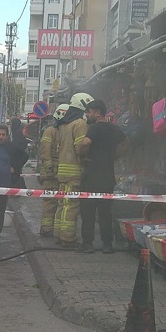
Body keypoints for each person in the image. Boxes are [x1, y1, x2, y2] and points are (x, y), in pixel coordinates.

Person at [77, 100, 128, 254]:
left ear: (97, 112)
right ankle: (107, 244)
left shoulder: (94, 128)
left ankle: (88, 244)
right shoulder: (114, 128)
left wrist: (82, 155)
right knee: (105, 212)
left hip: (92, 176)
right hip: (107, 177)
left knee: (88, 212)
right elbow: (126, 143)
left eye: (89, 112)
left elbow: (85, 143)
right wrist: (114, 156)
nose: (87, 115)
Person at [54, 92, 94, 248]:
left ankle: (58, 234)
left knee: (62, 204)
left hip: (62, 171)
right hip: (74, 172)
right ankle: (68, 238)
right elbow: (80, 148)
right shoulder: (80, 124)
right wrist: (87, 161)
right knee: (71, 205)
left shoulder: (64, 124)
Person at [38, 104, 69, 237]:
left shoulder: (62, 130)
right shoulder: (50, 131)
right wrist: (50, 168)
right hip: (50, 174)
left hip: (58, 173)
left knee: (58, 203)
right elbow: (45, 151)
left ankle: (53, 229)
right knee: (50, 203)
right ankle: (46, 229)